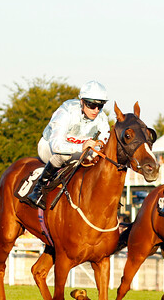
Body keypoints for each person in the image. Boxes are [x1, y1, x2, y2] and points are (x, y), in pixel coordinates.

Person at [22, 80, 110, 209]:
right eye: (91, 105)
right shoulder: (66, 112)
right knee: (64, 155)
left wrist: (98, 146)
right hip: (49, 147)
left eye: (100, 106)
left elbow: (103, 144)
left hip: (80, 151)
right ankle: (38, 189)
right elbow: (56, 146)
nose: (96, 110)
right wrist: (81, 147)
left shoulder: (102, 118)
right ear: (82, 102)